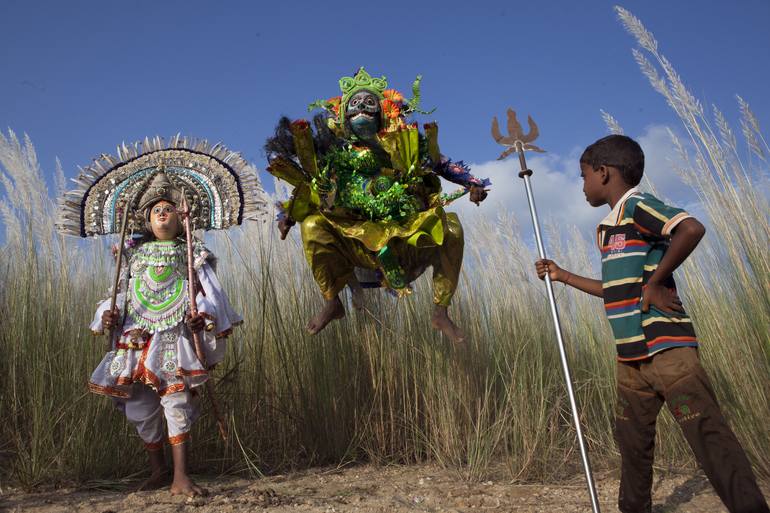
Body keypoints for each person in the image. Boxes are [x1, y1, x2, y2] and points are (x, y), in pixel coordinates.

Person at [535, 134, 769, 513]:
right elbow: (614, 289)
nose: (582, 185)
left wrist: (657, 281)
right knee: (633, 446)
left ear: (603, 172)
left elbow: (690, 228)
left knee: (710, 441)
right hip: (630, 360)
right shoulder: (608, 230)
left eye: (582, 176)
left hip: (668, 352)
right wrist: (563, 276)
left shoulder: (638, 207)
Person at [265, 67, 489, 342]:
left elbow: (440, 162)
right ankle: (332, 301)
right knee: (312, 225)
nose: (362, 107)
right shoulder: (335, 157)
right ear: (344, 116)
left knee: (451, 227)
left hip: (402, 238)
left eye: (369, 103)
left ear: (383, 113)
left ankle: (440, 312)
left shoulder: (401, 147)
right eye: (355, 104)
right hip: (355, 240)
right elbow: (310, 187)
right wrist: (288, 214)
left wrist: (472, 183)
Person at [88, 172, 242, 497]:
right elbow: (120, 294)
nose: (161, 213)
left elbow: (208, 292)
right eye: (155, 209)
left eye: (168, 208)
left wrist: (204, 316)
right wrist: (108, 313)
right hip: (135, 335)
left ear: (182, 216)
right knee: (139, 406)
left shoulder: (191, 252)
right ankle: (158, 471)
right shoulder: (132, 256)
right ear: (145, 219)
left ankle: (181, 476)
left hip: (173, 332)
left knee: (176, 399)